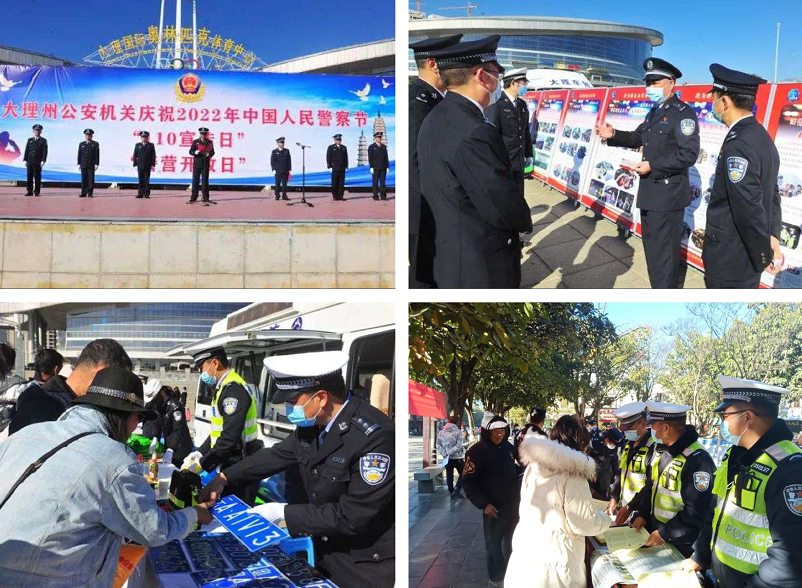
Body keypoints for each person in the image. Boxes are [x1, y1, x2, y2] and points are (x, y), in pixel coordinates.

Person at [0, 367, 213, 588]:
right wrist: (193, 515)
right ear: (124, 415)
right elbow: (154, 530)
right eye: (138, 417)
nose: (136, 426)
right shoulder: (116, 459)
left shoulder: (25, 434)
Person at [200, 351, 394, 588]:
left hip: (362, 564)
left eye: (293, 402)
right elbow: (276, 455)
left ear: (321, 398)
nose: (288, 409)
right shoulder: (313, 426)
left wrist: (283, 513)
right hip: (325, 551)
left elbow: (353, 516)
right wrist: (224, 477)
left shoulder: (374, 436)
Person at [417, 35, 533, 288]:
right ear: (481, 76)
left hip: (450, 248)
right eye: (496, 74)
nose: (498, 80)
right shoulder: (474, 129)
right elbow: (500, 202)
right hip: (479, 259)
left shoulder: (436, 116)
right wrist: (524, 219)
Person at [679, 376, 802, 587]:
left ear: (748, 417)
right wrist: (700, 555)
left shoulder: (790, 469)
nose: (722, 423)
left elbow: (790, 558)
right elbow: (717, 512)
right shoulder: (736, 457)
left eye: (725, 416)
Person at [595, 58, 700, 288]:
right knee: (654, 254)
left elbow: (688, 154)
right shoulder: (654, 112)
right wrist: (613, 135)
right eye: (648, 82)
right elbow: (638, 137)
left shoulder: (683, 114)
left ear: (671, 82)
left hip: (667, 197)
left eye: (655, 82)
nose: (650, 87)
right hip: (650, 194)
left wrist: (653, 165)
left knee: (664, 257)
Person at [505, 415, 611, 588]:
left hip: (527, 554)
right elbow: (583, 523)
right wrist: (606, 519)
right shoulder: (574, 474)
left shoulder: (533, 465)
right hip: (558, 564)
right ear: (580, 444)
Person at [703, 64, 784, 288]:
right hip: (747, 256)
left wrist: (763, 254)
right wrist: (772, 235)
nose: (712, 104)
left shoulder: (738, 144)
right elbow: (772, 193)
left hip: (730, 258)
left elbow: (748, 207)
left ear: (725, 102)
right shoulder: (760, 136)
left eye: (714, 98)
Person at [409, 34, 463, 288]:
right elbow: (415, 164)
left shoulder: (436, 99)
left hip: (439, 206)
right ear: (432, 64)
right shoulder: (416, 102)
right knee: (424, 278)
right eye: (451, 61)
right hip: (425, 211)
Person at [628, 401, 715, 557]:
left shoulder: (698, 460)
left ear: (666, 428)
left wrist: (664, 533)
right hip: (657, 536)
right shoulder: (660, 450)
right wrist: (642, 514)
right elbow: (651, 487)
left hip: (682, 544)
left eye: (653, 426)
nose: (651, 430)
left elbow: (696, 511)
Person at [9, 339, 132, 435]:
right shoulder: (41, 403)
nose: (115, 390)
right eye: (116, 382)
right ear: (101, 372)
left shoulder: (77, 403)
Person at [188, 346, 260, 503]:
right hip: (231, 462)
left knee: (236, 511)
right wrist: (200, 452)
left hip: (242, 464)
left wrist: (203, 464)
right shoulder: (223, 387)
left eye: (202, 368)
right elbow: (218, 432)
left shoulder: (233, 390)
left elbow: (229, 438)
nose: (201, 373)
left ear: (215, 363)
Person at [461, 412, 520, 588]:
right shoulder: (476, 452)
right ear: (486, 432)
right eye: (495, 431)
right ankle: (496, 577)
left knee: (512, 542)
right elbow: (468, 482)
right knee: (494, 544)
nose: (499, 434)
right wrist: (483, 504)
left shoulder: (508, 447)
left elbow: (512, 468)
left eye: (502, 430)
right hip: (493, 507)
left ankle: (512, 573)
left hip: (513, 504)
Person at [484, 67, 534, 202]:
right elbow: (491, 136)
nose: (525, 87)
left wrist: (529, 154)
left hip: (519, 161)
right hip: (504, 162)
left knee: (519, 196)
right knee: (504, 198)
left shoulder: (522, 105)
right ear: (513, 83)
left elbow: (525, 132)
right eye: (523, 84)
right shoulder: (497, 104)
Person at [608, 401, 656, 521]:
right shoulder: (628, 446)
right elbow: (620, 473)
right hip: (626, 509)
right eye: (624, 430)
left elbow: (650, 484)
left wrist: (631, 506)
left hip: (642, 512)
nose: (626, 433)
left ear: (643, 423)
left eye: (630, 429)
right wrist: (614, 497)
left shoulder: (653, 448)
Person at [160, 383, 193, 466]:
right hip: (170, 443)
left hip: (179, 446)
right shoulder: (163, 405)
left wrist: (171, 448)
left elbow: (178, 429)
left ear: (162, 393)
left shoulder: (176, 407)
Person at [436, 416, 465, 499]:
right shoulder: (458, 432)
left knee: (449, 475)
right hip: (457, 457)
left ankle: (451, 491)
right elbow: (459, 445)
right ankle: (457, 489)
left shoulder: (441, 432)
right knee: (464, 472)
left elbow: (438, 444)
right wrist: (449, 452)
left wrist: (444, 453)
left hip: (447, 458)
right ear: (456, 422)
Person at [188, 127, 214, 205]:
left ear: (206, 134)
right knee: (195, 181)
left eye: (204, 134)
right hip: (197, 164)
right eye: (202, 134)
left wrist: (209, 154)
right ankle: (193, 198)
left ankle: (205, 198)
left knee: (205, 181)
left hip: (205, 164)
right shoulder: (196, 142)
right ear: (200, 134)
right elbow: (190, 151)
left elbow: (212, 152)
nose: (203, 135)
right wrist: (195, 152)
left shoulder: (209, 142)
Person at [23, 123, 47, 197]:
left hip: (38, 162)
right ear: (33, 131)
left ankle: (37, 192)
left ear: (41, 131)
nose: (37, 131)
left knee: (37, 177)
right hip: (30, 161)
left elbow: (45, 151)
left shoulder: (43, 140)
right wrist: (25, 159)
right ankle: (29, 191)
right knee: (29, 176)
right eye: (36, 130)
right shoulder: (29, 140)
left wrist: (43, 160)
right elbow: (27, 150)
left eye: (39, 130)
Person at [132, 131, 156, 199]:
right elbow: (135, 155)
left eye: (145, 137)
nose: (144, 138)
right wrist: (135, 163)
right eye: (142, 137)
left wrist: (153, 164)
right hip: (140, 165)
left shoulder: (151, 145)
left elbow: (153, 155)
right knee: (140, 180)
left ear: (147, 138)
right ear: (141, 137)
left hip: (147, 165)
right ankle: (140, 193)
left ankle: (146, 194)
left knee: (146, 180)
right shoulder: (137, 145)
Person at [77, 128, 99, 198]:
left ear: (92, 136)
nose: (88, 136)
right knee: (83, 178)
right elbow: (79, 154)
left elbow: (97, 154)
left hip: (91, 164)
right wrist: (79, 163)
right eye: (86, 135)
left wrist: (97, 163)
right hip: (83, 164)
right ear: (85, 136)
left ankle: (90, 193)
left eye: (89, 135)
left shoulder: (95, 144)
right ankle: (83, 192)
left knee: (91, 179)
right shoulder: (81, 144)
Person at [326, 134, 348, 201]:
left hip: (342, 168)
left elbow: (346, 157)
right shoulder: (331, 147)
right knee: (334, 182)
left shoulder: (344, 147)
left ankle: (340, 196)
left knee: (341, 183)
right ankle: (335, 196)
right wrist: (329, 166)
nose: (339, 141)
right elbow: (328, 157)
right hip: (334, 168)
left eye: (340, 140)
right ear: (335, 140)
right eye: (337, 140)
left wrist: (346, 166)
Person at [368, 131, 389, 200]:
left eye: (380, 137)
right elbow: (370, 158)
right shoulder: (371, 147)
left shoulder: (384, 147)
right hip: (375, 168)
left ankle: (383, 196)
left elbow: (386, 157)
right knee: (375, 182)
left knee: (383, 183)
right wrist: (371, 167)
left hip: (383, 167)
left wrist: (387, 166)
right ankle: (375, 195)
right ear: (375, 138)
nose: (379, 139)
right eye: (378, 137)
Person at [271, 136, 291, 201]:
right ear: (278, 143)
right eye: (281, 142)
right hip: (278, 171)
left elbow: (289, 160)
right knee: (277, 184)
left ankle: (284, 196)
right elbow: (272, 161)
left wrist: (289, 169)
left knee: (285, 184)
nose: (282, 144)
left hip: (285, 170)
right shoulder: (274, 151)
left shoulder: (287, 151)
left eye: (283, 142)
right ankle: (277, 195)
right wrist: (273, 169)